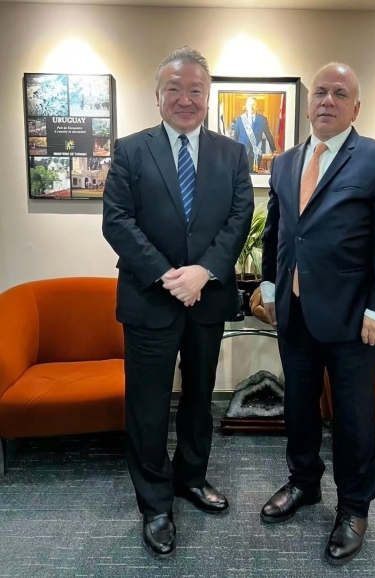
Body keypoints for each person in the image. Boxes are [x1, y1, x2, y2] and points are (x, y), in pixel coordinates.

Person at [102, 46, 254, 560]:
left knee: (199, 396)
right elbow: (117, 221)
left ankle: (192, 477)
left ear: (207, 96)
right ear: (158, 95)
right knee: (147, 405)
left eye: (195, 90)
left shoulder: (232, 153)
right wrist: (171, 276)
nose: (185, 99)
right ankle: (155, 502)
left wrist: (204, 272)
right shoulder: (130, 150)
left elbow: (238, 218)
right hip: (150, 298)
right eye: (175, 89)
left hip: (207, 299)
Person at [259, 62, 375, 566]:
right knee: (298, 406)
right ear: (309, 103)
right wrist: (269, 285)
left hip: (353, 318)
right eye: (320, 91)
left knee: (353, 417)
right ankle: (304, 483)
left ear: (356, 107)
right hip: (295, 311)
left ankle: (354, 508)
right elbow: (278, 231)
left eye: (339, 93)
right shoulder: (285, 162)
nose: (327, 100)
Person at [233, 96, 277, 173]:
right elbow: (235, 137)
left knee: (254, 175)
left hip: (256, 154)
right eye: (249, 105)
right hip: (242, 153)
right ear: (246, 106)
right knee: (242, 175)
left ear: (256, 107)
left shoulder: (262, 119)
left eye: (253, 105)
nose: (251, 107)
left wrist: (274, 150)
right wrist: (234, 151)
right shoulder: (240, 119)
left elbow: (268, 135)